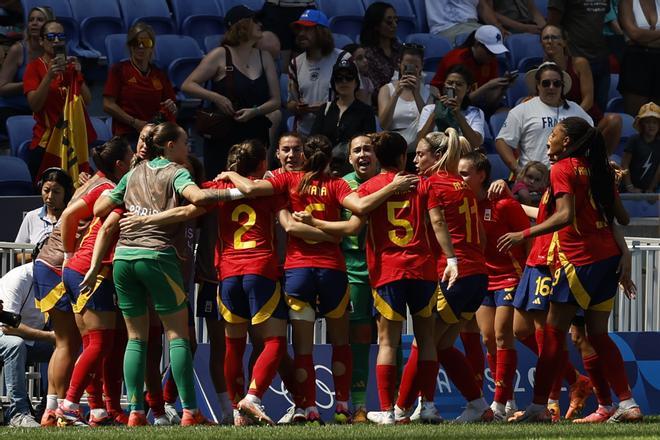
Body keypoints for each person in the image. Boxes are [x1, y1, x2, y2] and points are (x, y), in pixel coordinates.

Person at [218, 134, 420, 424]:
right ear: (331, 160)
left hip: (297, 271)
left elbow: (265, 202)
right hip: (333, 271)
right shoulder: (337, 184)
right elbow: (357, 217)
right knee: (341, 342)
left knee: (303, 349)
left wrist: (228, 173)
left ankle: (307, 407)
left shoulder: (288, 182)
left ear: (303, 157)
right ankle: (341, 406)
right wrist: (332, 234)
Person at [92, 122, 245, 426]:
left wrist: (136, 212)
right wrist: (237, 192)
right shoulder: (177, 171)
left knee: (136, 339)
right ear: (170, 145)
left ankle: (136, 412)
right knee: (178, 336)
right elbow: (198, 199)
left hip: (123, 258)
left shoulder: (132, 173)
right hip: (158, 257)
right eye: (186, 143)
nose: (189, 149)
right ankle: (190, 410)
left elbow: (99, 208)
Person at [501, 116, 642, 423]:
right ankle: (627, 404)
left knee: (552, 335)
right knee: (597, 335)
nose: (548, 138)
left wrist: (523, 234)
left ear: (565, 141)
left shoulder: (563, 168)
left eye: (552, 133)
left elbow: (564, 216)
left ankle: (539, 407)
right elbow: (623, 218)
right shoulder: (600, 169)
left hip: (578, 259)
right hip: (607, 259)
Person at [396, 130, 492, 424]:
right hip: (476, 275)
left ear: (437, 157)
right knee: (444, 345)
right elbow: (482, 238)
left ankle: (401, 410)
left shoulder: (431, 184)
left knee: (422, 343)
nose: (415, 160)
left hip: (453, 274)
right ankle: (478, 405)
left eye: (421, 154)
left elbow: (434, 222)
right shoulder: (462, 186)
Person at [54, 137, 133, 427]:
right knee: (100, 343)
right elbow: (69, 216)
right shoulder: (111, 190)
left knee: (94, 342)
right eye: (132, 158)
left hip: (83, 269)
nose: (136, 163)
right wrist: (69, 254)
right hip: (90, 271)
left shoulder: (104, 185)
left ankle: (97, 409)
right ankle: (69, 405)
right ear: (120, 165)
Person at [457, 151, 530, 421]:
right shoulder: (461, 203)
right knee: (488, 339)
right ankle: (509, 401)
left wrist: (532, 275)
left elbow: (528, 239)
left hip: (511, 276)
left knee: (502, 336)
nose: (460, 179)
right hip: (482, 278)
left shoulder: (504, 204)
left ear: (481, 176)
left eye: (465, 173)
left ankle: (498, 405)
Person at [182, 5, 280, 178]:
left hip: (255, 135)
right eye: (254, 21)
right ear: (242, 26)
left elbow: (276, 100)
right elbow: (188, 85)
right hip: (223, 137)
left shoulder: (264, 57)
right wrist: (216, 97)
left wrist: (255, 111)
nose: (260, 24)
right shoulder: (220, 54)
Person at [23, 19, 95, 181]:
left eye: (60, 37)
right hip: (46, 143)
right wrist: (49, 77)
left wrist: (77, 73)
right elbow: (34, 105)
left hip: (72, 141)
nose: (56, 41)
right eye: (51, 36)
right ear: (41, 41)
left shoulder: (70, 67)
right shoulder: (34, 67)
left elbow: (88, 100)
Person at [339, 135, 379, 423]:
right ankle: (359, 406)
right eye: (357, 150)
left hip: (389, 269)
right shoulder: (343, 184)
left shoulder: (392, 179)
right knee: (360, 340)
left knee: (392, 335)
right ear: (349, 158)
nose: (363, 154)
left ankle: (396, 405)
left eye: (368, 149)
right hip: (354, 271)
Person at [540, 24, 623, 155]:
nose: (550, 41)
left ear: (564, 41)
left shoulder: (579, 63)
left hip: (585, 119)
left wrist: (570, 119)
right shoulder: (541, 70)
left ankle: (602, 165)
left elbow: (588, 100)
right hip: (557, 125)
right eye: (546, 38)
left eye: (554, 37)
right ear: (541, 43)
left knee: (615, 121)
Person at [496, 61, 592, 173]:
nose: (551, 87)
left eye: (556, 83)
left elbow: (592, 138)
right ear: (538, 85)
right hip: (535, 182)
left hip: (568, 180)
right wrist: (517, 170)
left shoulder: (576, 110)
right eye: (546, 83)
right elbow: (501, 142)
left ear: (562, 86)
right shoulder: (522, 110)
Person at [103, 23, 177, 145]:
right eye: (136, 42)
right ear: (130, 46)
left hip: (155, 135)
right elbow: (107, 105)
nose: (141, 46)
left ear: (152, 46)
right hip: (128, 135)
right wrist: (134, 122)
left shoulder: (159, 74)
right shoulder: (119, 70)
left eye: (146, 42)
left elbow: (173, 107)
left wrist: (172, 107)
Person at [0, 263, 54, 428]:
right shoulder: (20, 277)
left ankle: (50, 409)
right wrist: (50, 336)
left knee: (66, 348)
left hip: (28, 339)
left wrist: (60, 338)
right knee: (15, 345)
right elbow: (7, 327)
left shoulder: (59, 277)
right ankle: (18, 413)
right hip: (5, 335)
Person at [286, 9, 347, 136]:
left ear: (321, 32)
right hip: (305, 134)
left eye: (307, 29)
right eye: (299, 29)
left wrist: (328, 107)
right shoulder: (295, 63)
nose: (301, 34)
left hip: (337, 132)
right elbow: (290, 104)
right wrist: (298, 107)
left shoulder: (343, 58)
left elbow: (357, 99)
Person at [430, 26, 511, 116]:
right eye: (489, 52)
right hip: (451, 105)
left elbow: (490, 102)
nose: (493, 56)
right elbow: (460, 102)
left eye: (495, 53)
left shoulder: (490, 60)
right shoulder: (457, 61)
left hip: (479, 107)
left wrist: (503, 88)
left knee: (506, 113)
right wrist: (487, 86)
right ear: (476, 44)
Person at [547, 0, 611, 113]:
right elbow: (552, 24)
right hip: (574, 61)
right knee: (567, 113)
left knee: (598, 114)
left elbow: (599, 19)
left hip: (601, 59)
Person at [0, 6, 52, 126]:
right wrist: (27, 83)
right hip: (12, 108)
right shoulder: (18, 50)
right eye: (31, 20)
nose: (34, 23)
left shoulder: (54, 51)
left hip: (39, 107)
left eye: (39, 20)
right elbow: (1, 88)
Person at [310, 59, 376, 154]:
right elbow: (313, 140)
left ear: (356, 82)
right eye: (339, 78)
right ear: (334, 83)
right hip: (325, 162)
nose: (344, 81)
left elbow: (369, 143)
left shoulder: (366, 111)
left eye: (349, 77)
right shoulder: (324, 109)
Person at [377, 44, 431, 149]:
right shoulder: (386, 90)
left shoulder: (431, 90)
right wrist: (396, 94)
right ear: (399, 64)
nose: (411, 70)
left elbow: (430, 125)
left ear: (422, 66)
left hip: (422, 145)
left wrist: (416, 93)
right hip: (394, 145)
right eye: (407, 66)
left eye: (415, 66)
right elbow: (384, 125)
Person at [419, 64, 486, 150]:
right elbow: (421, 140)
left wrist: (457, 114)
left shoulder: (475, 112)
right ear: (444, 86)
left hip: (462, 157)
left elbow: (476, 143)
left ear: (468, 88)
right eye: (450, 83)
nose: (453, 87)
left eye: (459, 84)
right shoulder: (429, 109)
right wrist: (437, 112)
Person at [618, 0, 660, 116]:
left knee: (657, 116)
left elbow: (636, 37)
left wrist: (642, 39)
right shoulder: (627, 2)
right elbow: (634, 33)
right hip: (636, 63)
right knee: (635, 115)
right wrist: (638, 37)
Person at [15, 167, 73, 246]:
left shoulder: (73, 217)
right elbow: (18, 254)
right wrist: (38, 253)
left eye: (56, 192)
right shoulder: (31, 217)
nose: (50, 196)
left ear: (66, 194)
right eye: (46, 190)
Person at [360, 2, 403, 104]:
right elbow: (375, 90)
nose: (394, 25)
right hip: (381, 105)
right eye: (389, 22)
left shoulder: (401, 49)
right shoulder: (367, 54)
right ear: (376, 25)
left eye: (396, 20)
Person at [621, 101, 660, 193]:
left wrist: (651, 189)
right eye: (647, 122)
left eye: (655, 122)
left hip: (650, 191)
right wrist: (629, 187)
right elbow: (624, 164)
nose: (651, 126)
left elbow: (659, 170)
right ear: (641, 124)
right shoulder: (634, 140)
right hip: (629, 190)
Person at [425, 0, 508, 41]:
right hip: (447, 27)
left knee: (505, 39)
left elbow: (482, 7)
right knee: (488, 40)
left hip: (472, 26)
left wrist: (500, 29)